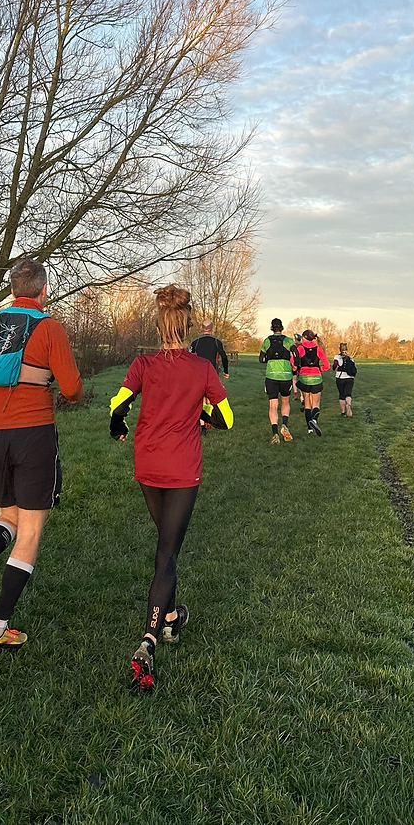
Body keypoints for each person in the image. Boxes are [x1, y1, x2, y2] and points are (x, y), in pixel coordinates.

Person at [0, 258, 83, 652]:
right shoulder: (49, 327)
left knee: (6, 515)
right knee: (30, 529)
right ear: (43, 291)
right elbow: (73, 389)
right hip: (33, 434)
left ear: (11, 291)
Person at [109, 285, 234, 693]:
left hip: (147, 466)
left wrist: (119, 425)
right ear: (188, 324)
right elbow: (227, 419)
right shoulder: (201, 368)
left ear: (159, 323)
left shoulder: (143, 364)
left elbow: (117, 405)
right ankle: (148, 640)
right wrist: (202, 416)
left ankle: (169, 621)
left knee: (167, 546)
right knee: (167, 553)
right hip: (182, 469)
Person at [258, 318, 297, 444]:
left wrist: (269, 360)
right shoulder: (288, 340)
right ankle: (284, 425)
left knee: (273, 405)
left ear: (271, 328)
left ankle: (274, 433)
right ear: (282, 328)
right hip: (285, 375)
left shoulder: (267, 341)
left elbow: (261, 359)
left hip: (271, 376)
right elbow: (296, 354)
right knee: (285, 401)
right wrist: (295, 365)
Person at [189, 319, 229, 430]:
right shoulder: (217, 342)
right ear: (212, 328)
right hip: (212, 374)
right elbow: (224, 357)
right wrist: (226, 371)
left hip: (198, 374)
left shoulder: (195, 342)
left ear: (202, 328)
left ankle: (202, 426)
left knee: (201, 399)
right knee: (210, 399)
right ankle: (208, 421)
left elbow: (189, 358)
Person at [292, 329, 330, 435]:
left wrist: (298, 369)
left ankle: (309, 428)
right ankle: (314, 421)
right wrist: (319, 369)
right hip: (316, 377)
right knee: (316, 404)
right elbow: (327, 365)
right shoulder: (318, 349)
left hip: (304, 378)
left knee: (307, 404)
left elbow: (293, 362)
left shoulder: (300, 348)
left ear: (304, 337)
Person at [332, 342, 357, 416]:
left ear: (339, 349)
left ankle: (343, 411)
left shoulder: (337, 357)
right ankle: (348, 406)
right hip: (350, 378)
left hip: (340, 378)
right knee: (348, 394)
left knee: (341, 394)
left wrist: (333, 367)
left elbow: (334, 366)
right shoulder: (350, 357)